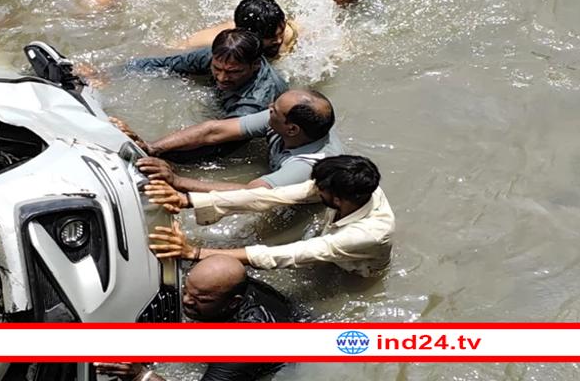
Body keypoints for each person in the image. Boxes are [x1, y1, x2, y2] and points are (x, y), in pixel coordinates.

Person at [146, 155, 395, 277]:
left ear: (338, 199)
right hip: (335, 237)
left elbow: (289, 254)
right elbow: (269, 197)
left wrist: (195, 253)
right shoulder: (356, 187)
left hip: (357, 269)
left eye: (320, 189)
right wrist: (187, 199)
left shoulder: (369, 233)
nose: (314, 189)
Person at [95, 255, 294, 381]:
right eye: (186, 291)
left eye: (200, 299)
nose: (187, 301)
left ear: (233, 302)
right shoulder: (227, 286)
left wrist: (140, 375)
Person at [130, 89, 341, 190]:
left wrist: (177, 180)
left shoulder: (308, 165)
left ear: (292, 129)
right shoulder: (281, 121)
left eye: (274, 110)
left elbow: (251, 193)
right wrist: (152, 147)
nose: (269, 108)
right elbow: (214, 131)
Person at [124, 29, 287, 119]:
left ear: (255, 65)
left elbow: (220, 139)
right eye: (217, 69)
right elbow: (161, 64)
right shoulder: (214, 56)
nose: (222, 78)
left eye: (233, 72)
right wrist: (112, 72)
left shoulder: (257, 100)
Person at [176, 0, 298, 60]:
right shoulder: (222, 38)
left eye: (280, 32)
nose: (278, 40)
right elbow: (177, 47)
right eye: (270, 37)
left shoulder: (292, 33)